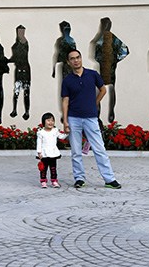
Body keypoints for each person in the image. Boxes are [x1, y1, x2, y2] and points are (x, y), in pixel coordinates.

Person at [61, 49, 121, 190]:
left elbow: (103, 90)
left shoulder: (92, 75)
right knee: (76, 151)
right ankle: (79, 178)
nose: (76, 60)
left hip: (91, 118)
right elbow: (65, 101)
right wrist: (65, 121)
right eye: (72, 59)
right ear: (68, 62)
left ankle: (109, 178)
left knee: (99, 149)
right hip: (73, 118)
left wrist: (95, 103)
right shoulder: (67, 80)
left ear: (81, 58)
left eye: (78, 57)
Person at [36, 112, 67, 188]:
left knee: (53, 168)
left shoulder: (55, 131)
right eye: (48, 120)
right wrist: (39, 152)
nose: (51, 122)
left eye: (52, 120)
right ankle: (43, 181)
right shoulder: (41, 133)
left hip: (53, 153)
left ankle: (54, 181)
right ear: (44, 122)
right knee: (43, 169)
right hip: (44, 154)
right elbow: (39, 143)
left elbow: (61, 137)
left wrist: (66, 133)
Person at [9, 25, 31, 120]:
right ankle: (14, 109)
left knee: (26, 91)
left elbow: (19, 56)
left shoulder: (23, 42)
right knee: (16, 91)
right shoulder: (17, 43)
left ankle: (26, 111)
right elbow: (15, 57)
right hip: (18, 69)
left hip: (25, 69)